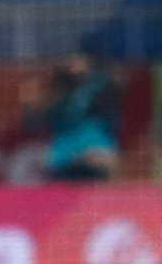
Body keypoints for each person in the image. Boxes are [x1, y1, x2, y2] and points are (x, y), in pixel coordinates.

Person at [22, 52, 122, 181]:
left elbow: (120, 85)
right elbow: (32, 116)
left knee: (107, 164)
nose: (74, 70)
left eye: (79, 66)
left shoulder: (100, 87)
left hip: (96, 147)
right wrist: (37, 97)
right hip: (63, 152)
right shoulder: (57, 92)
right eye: (71, 66)